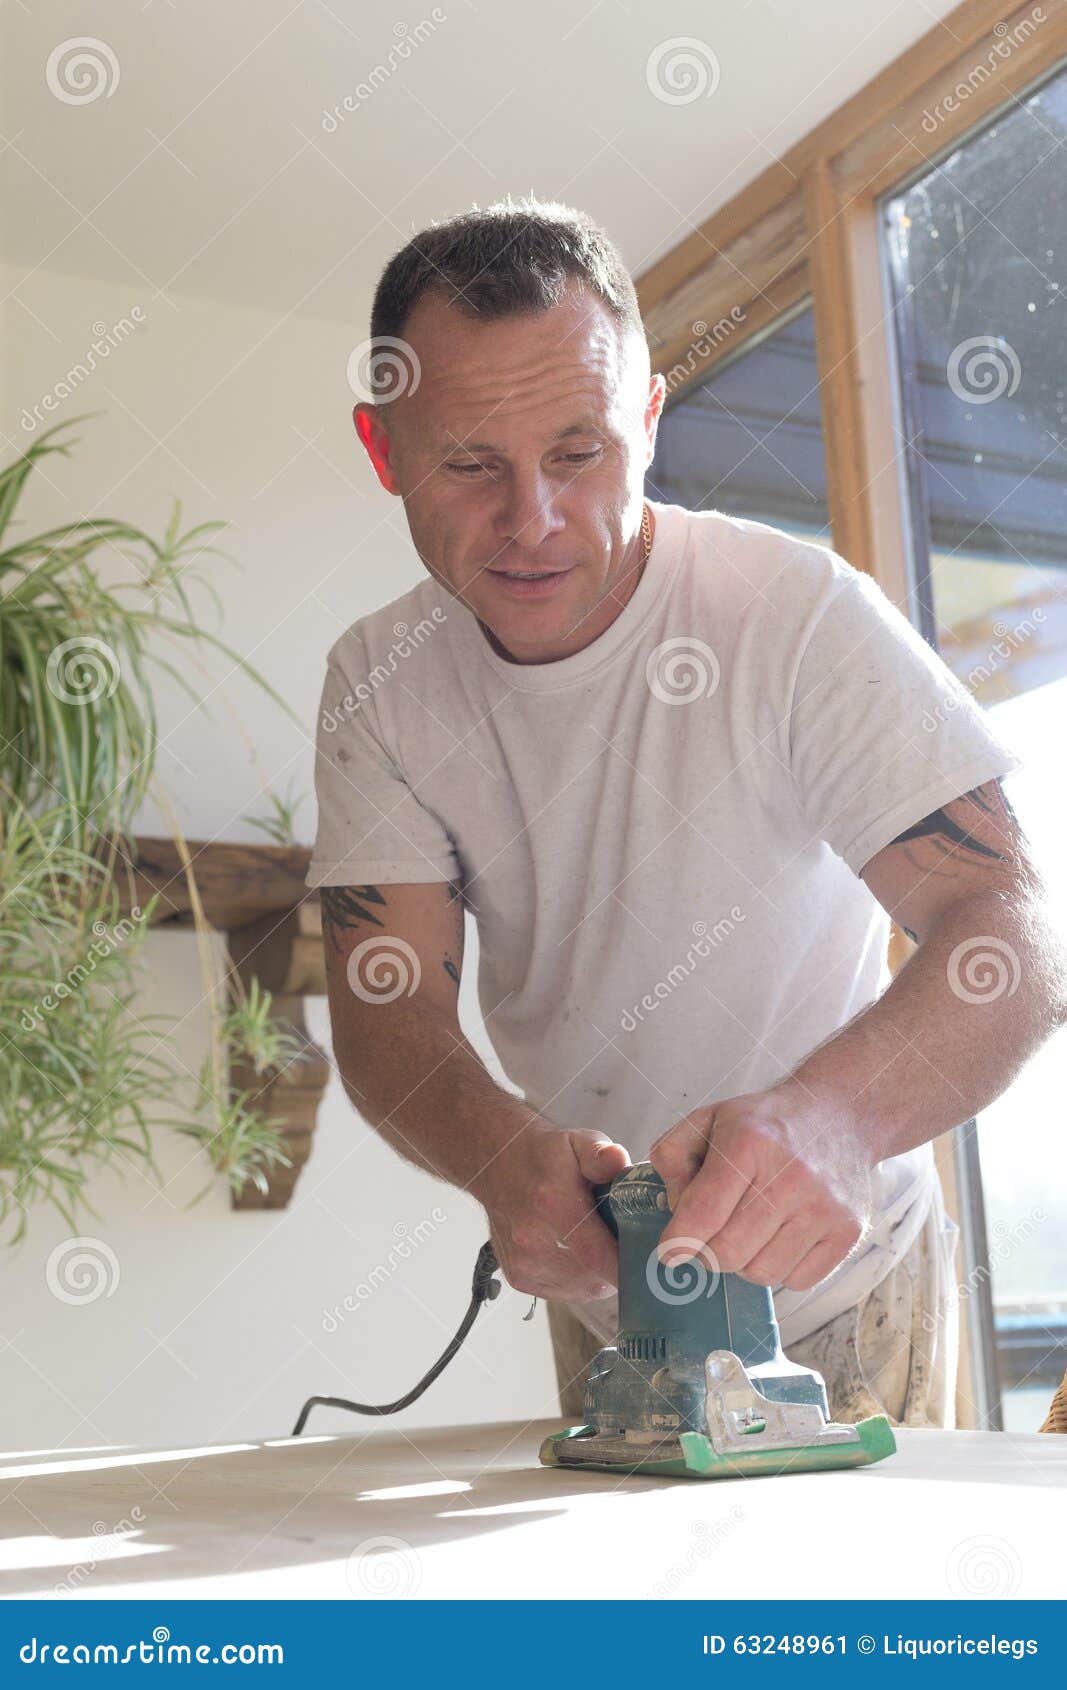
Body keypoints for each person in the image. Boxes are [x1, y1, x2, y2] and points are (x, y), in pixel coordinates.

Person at [305, 197, 1066, 1429]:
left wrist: (832, 1121)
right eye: (467, 464)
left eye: (577, 451)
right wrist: (503, 1156)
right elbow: (386, 1010)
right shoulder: (381, 684)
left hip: (849, 1286)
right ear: (384, 450)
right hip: (604, 1298)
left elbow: (1012, 933)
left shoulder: (796, 616)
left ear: (647, 422)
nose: (533, 520)